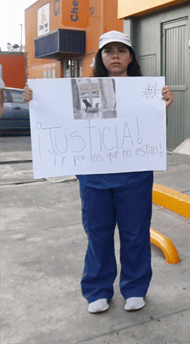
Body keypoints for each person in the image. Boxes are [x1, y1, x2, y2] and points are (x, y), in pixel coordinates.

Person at [24, 30, 174, 314]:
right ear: (100, 58)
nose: (115, 55)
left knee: (135, 233)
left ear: (131, 56)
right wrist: (37, 100)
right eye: (108, 51)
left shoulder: (145, 90)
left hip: (135, 175)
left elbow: (149, 129)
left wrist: (163, 105)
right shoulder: (85, 89)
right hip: (94, 177)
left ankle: (134, 287)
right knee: (98, 234)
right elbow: (59, 118)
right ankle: (97, 289)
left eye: (121, 50)